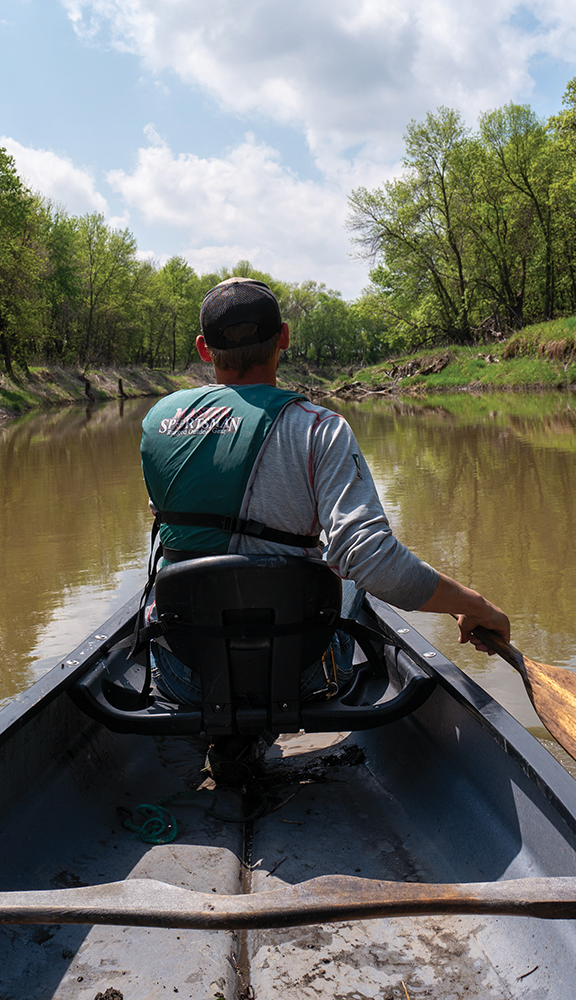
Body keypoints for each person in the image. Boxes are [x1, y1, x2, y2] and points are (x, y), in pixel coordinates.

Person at [140, 277, 510, 703]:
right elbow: (371, 560)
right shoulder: (318, 428)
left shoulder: (158, 421)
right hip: (295, 675)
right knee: (345, 574)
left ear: (204, 349)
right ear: (284, 337)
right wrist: (471, 604)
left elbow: (164, 515)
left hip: (184, 673)